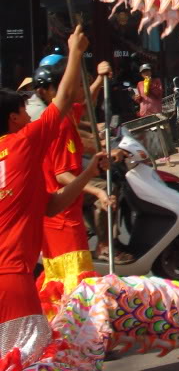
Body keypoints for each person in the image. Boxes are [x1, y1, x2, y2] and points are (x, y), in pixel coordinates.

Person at [0, 26, 107, 367]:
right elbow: (62, 102)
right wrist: (75, 50)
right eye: (25, 110)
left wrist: (89, 175)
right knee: (32, 360)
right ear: (13, 118)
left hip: (16, 277)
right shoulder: (21, 144)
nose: (30, 114)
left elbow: (50, 204)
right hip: (12, 281)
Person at [38, 59, 120, 305]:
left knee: (65, 284)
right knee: (73, 285)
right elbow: (61, 174)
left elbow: (84, 104)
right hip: (61, 219)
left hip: (65, 212)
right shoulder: (60, 124)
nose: (83, 87)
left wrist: (98, 78)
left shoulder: (66, 115)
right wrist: (97, 191)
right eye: (78, 81)